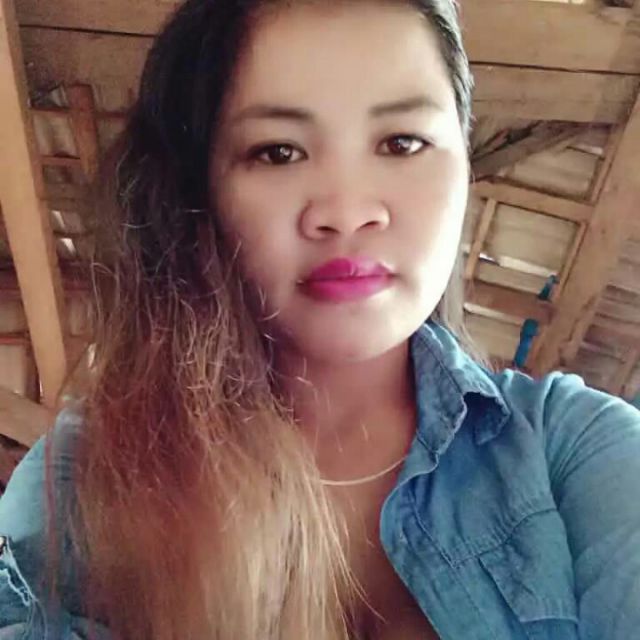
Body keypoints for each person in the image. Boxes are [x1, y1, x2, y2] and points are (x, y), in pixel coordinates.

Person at [1, 0, 639, 638]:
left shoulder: (577, 450)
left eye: (402, 142)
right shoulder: (86, 479)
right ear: (198, 193)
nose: (347, 211)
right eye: (278, 152)